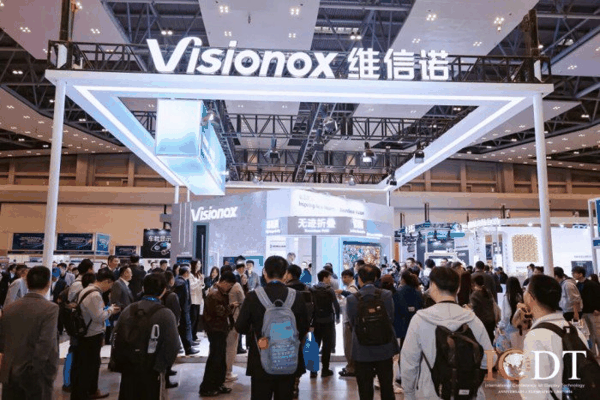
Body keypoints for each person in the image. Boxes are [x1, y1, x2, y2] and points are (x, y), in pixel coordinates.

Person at [401, 267, 495, 400]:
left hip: (430, 393)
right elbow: (490, 359)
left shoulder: (420, 320)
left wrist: (409, 393)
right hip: (467, 394)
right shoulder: (472, 319)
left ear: (433, 286)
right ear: (458, 289)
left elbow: (409, 363)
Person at [235, 255, 309, 400]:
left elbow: (240, 327)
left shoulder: (253, 296)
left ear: (264, 272)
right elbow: (304, 327)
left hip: (260, 359)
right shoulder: (297, 296)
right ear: (286, 273)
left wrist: (257, 333)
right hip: (288, 358)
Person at [111, 273, 180, 400]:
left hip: (128, 367)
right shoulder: (166, 314)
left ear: (143, 288)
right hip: (152, 369)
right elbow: (173, 345)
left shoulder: (128, 309)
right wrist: (160, 367)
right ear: (164, 290)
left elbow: (115, 336)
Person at [520, 274, 588, 399]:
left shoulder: (536, 336)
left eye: (525, 290)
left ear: (530, 297)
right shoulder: (574, 331)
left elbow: (533, 390)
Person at [0, 267, 57, 399]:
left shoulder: (9, 308)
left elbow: (2, 340)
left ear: (27, 283)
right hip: (35, 374)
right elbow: (45, 343)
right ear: (48, 283)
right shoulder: (50, 309)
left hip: (10, 370)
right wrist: (36, 370)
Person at [347, 264, 398, 400]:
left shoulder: (352, 299)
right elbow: (390, 318)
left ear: (359, 279)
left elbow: (352, 323)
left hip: (361, 349)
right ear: (375, 278)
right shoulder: (386, 295)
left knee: (365, 389)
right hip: (384, 347)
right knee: (387, 386)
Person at [71, 268, 119, 400]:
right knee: (88, 367)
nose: (110, 288)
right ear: (106, 281)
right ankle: (83, 394)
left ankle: (86, 392)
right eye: (110, 284)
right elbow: (99, 317)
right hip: (91, 335)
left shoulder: (86, 290)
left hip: (86, 333)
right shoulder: (95, 295)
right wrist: (110, 310)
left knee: (85, 366)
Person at [199, 271, 237, 397]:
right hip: (215, 330)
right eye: (229, 285)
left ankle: (218, 384)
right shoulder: (215, 294)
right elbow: (220, 312)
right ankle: (207, 387)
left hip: (220, 329)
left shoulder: (219, 293)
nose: (230, 288)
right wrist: (230, 307)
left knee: (220, 359)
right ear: (224, 282)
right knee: (215, 359)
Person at [393, 271, 423, 389]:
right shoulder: (418, 293)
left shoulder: (398, 292)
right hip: (415, 325)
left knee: (402, 352)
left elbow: (397, 310)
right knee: (414, 352)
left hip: (402, 326)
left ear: (403, 279)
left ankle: (402, 376)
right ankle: (414, 376)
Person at [309, 269, 340, 378]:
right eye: (329, 277)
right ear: (325, 278)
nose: (330, 280)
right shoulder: (329, 290)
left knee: (315, 345)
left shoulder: (312, 289)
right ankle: (325, 370)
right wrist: (337, 317)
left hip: (316, 320)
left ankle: (313, 371)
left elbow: (310, 305)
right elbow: (336, 305)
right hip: (328, 320)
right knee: (327, 346)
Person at [336, 268, 359, 378]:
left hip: (349, 321)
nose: (343, 279)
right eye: (342, 277)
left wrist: (342, 293)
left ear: (351, 277)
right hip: (347, 320)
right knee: (347, 345)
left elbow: (352, 298)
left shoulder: (352, 289)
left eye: (345, 277)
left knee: (349, 345)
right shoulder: (349, 288)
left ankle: (351, 367)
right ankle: (350, 366)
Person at [572, 266, 600, 355]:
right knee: (589, 333)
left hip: (593, 312)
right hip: (583, 312)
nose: (573, 275)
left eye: (574, 273)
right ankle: (593, 353)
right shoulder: (577, 285)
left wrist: (598, 309)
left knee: (596, 332)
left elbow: (598, 296)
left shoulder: (591, 284)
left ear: (580, 274)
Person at [161, 270, 181, 389]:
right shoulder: (172, 295)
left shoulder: (162, 293)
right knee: (169, 351)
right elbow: (176, 312)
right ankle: (167, 378)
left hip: (162, 325)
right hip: (170, 326)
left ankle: (167, 372)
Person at [225, 269, 245, 382]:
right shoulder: (237, 286)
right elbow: (243, 303)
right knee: (231, 347)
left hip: (221, 321)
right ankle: (228, 372)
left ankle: (221, 372)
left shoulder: (216, 287)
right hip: (233, 320)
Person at [174, 267, 198, 355]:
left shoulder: (182, 281)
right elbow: (180, 298)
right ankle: (188, 348)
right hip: (183, 310)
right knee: (185, 329)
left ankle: (188, 347)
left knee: (185, 328)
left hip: (185, 309)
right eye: (189, 272)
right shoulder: (181, 283)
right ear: (186, 273)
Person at [498, 277, 526, 350]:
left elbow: (506, 315)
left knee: (513, 350)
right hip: (523, 326)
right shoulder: (522, 296)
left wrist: (500, 326)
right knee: (522, 349)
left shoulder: (507, 297)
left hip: (511, 327)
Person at [469, 274, 497, 344]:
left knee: (482, 342)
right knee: (490, 339)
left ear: (474, 283)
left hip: (482, 321)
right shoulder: (488, 291)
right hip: (491, 320)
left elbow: (473, 307)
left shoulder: (475, 294)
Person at [189, 260, 205, 342]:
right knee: (193, 318)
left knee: (197, 319)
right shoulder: (190, 275)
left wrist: (201, 281)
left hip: (198, 299)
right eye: (198, 263)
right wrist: (199, 281)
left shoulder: (198, 274)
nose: (200, 265)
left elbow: (201, 286)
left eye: (200, 264)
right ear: (194, 265)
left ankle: (194, 335)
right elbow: (192, 287)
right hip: (193, 300)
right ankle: (191, 337)